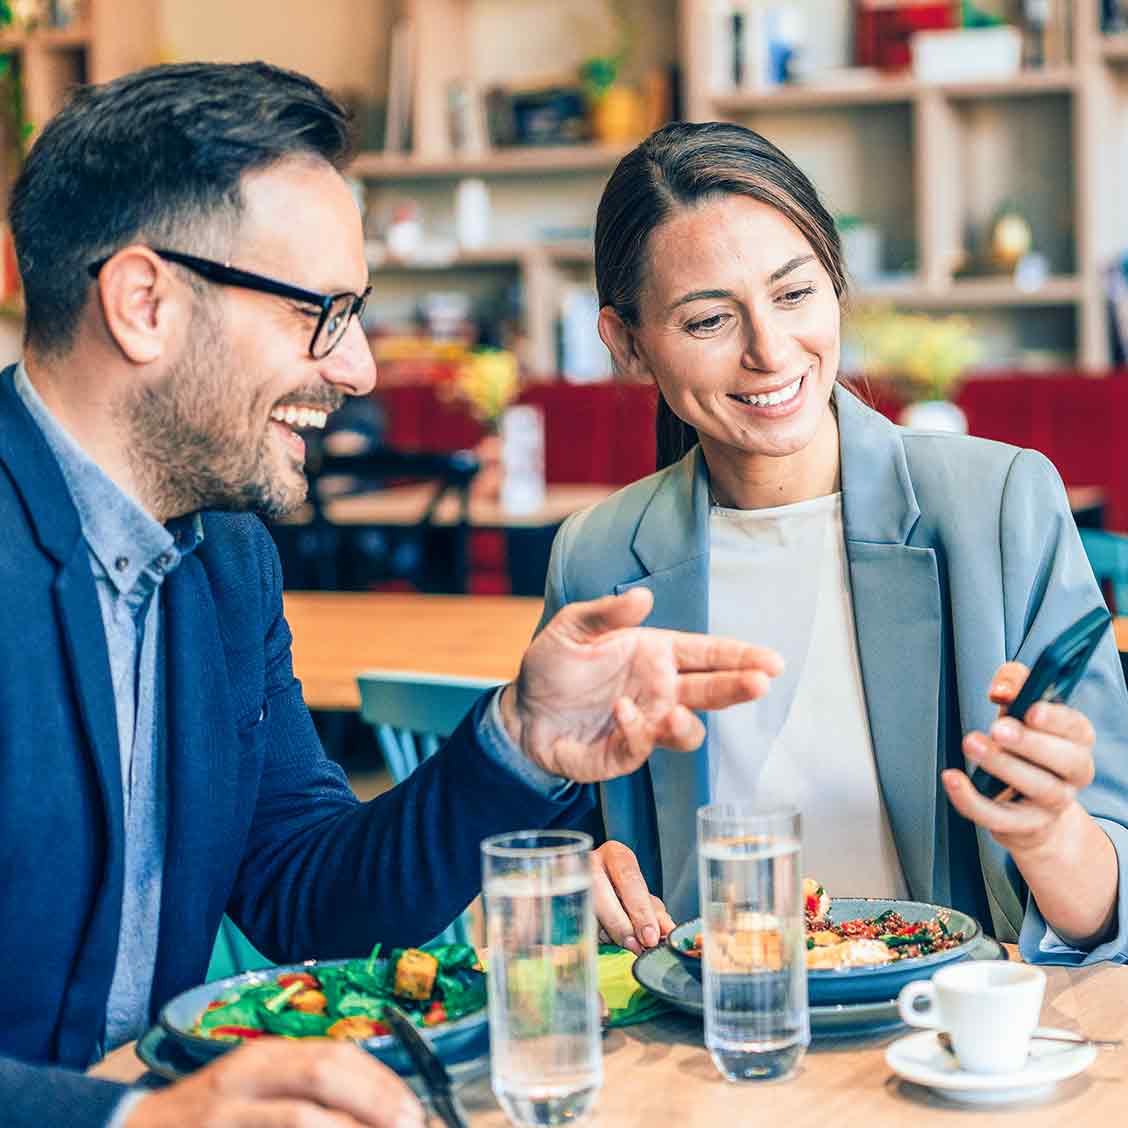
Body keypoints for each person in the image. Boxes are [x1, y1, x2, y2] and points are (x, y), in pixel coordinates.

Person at [0, 71, 786, 1128]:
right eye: (322, 313)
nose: (361, 369)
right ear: (145, 304)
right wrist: (133, 1120)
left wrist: (517, 742)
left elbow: (306, 893)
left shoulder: (225, 556)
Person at [542, 120, 1128, 965]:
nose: (770, 350)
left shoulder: (999, 506)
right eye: (709, 320)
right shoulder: (595, 559)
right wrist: (580, 878)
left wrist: (1051, 834)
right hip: (722, 1026)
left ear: (835, 282)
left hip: (947, 1022)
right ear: (628, 344)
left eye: (793, 295)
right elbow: (558, 849)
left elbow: (1108, 905)